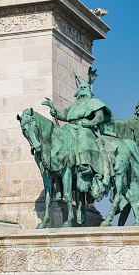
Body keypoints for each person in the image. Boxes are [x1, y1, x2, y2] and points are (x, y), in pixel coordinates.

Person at [49, 68, 113, 200]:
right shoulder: (75, 104)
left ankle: (86, 164)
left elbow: (99, 117)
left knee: (83, 135)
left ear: (89, 90)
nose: (83, 88)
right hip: (71, 126)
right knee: (61, 135)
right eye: (81, 87)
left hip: (85, 127)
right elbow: (65, 116)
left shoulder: (93, 102)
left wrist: (90, 123)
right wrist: (56, 114)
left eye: (85, 87)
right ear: (78, 91)